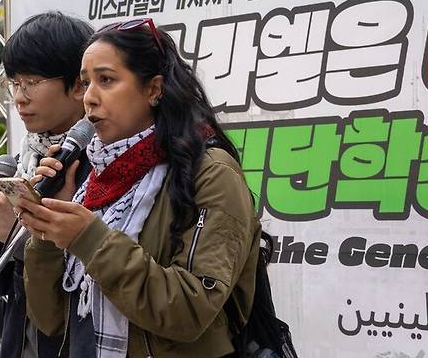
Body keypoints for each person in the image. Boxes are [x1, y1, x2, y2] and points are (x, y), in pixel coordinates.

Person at [17, 18, 262, 358]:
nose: (89, 98)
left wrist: (89, 239)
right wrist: (45, 231)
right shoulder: (87, 181)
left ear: (154, 89)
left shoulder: (210, 174)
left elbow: (192, 311)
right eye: (86, 83)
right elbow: (50, 321)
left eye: (106, 80)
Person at [0, 11, 94, 358]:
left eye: (32, 82)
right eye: (14, 83)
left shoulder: (100, 162)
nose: (19, 97)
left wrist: (17, 232)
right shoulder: (21, 163)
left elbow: (94, 277)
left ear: (77, 85)